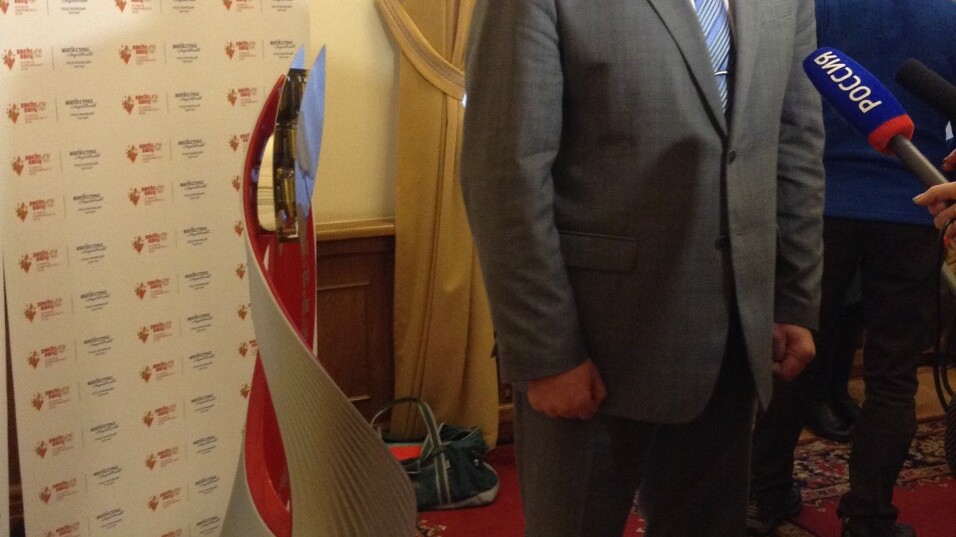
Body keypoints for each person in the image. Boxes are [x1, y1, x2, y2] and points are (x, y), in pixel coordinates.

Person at [459, 1, 825, 536]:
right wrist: (545, 353)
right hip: (595, 342)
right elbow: (505, 175)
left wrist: (793, 296)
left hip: (734, 339)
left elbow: (796, 142)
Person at [748, 2, 956, 537]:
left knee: (792, 353)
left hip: (817, 205)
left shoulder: (814, 5)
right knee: (893, 377)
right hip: (916, 205)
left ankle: (762, 496)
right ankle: (869, 517)